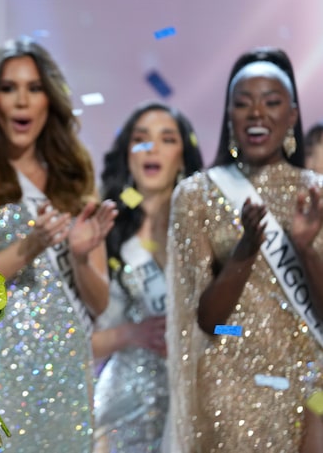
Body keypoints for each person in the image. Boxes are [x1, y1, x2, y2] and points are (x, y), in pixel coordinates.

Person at [0, 36, 117, 452]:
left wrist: (78, 256)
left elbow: (99, 303)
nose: (22, 101)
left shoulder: (73, 178)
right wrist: (31, 245)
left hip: (65, 368)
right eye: (9, 89)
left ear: (50, 101)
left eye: (34, 88)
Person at [166, 47, 323, 452]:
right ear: (230, 116)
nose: (257, 113)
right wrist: (246, 250)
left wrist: (305, 250)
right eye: (243, 104)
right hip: (230, 384)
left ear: (291, 116)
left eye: (271, 103)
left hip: (310, 387)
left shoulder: (316, 195)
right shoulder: (196, 195)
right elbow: (207, 322)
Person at [91, 101, 203, 452]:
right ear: (128, 154)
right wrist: (131, 333)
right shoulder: (104, 233)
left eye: (167, 139)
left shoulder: (207, 229)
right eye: (141, 140)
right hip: (124, 413)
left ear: (183, 156)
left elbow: (236, 327)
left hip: (194, 402)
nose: (152, 148)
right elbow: (79, 341)